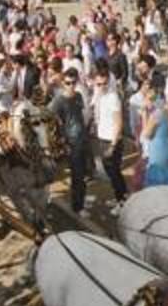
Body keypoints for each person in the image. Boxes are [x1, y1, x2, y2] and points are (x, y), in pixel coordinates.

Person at [50, 70, 89, 212]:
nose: (71, 86)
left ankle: (82, 201)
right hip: (71, 144)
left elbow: (82, 116)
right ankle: (77, 207)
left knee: (84, 174)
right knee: (77, 176)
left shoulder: (78, 96)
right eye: (67, 83)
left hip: (83, 139)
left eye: (73, 83)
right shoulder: (58, 101)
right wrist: (61, 138)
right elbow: (49, 117)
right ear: (63, 83)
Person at [91, 68, 126, 212]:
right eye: (98, 84)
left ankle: (122, 200)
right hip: (102, 137)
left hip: (111, 140)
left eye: (104, 83)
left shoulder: (113, 97)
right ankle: (120, 197)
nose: (101, 87)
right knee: (110, 171)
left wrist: (113, 144)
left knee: (114, 171)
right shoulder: (98, 96)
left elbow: (119, 122)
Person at [139, 80, 168, 188]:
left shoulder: (156, 114)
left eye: (146, 99)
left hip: (157, 147)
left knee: (157, 176)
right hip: (166, 144)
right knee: (166, 171)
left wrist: (144, 116)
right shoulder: (167, 111)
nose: (145, 102)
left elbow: (146, 134)